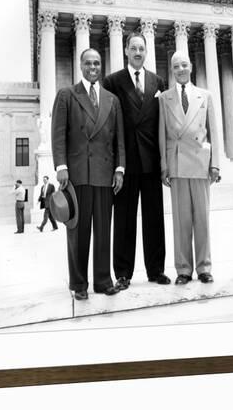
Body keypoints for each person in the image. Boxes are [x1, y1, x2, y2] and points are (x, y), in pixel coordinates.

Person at [51, 48, 125, 301]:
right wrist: (60, 166)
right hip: (78, 174)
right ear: (80, 65)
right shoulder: (67, 95)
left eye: (97, 63)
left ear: (100, 66)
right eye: (88, 63)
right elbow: (58, 133)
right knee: (78, 232)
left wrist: (119, 168)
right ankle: (79, 284)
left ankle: (104, 281)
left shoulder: (112, 100)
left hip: (105, 175)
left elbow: (119, 140)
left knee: (104, 231)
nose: (93, 67)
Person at [103, 32, 170, 290]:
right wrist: (115, 165)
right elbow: (109, 125)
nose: (138, 52)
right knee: (124, 220)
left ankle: (156, 270)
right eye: (134, 48)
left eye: (142, 48)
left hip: (152, 161)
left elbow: (163, 124)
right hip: (126, 162)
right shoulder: (112, 81)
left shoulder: (158, 81)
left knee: (154, 219)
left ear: (146, 51)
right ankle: (122, 273)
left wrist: (165, 161)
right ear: (126, 51)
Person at [159, 51, 220, 285]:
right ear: (172, 70)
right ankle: (183, 269)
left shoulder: (205, 95)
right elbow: (163, 135)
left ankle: (204, 267)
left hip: (200, 164)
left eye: (184, 65)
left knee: (202, 219)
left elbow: (214, 131)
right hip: (177, 164)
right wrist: (164, 166)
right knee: (181, 220)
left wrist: (215, 164)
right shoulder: (164, 98)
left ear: (191, 67)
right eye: (176, 66)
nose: (181, 69)